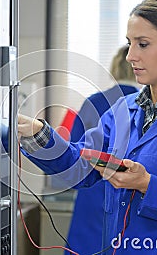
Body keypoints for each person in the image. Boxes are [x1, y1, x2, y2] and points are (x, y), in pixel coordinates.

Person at [18, 0, 157, 254]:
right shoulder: (123, 110)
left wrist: (147, 184)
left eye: (143, 44)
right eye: (129, 43)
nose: (131, 55)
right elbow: (79, 167)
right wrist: (39, 134)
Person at [66, 45, 139, 255]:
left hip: (91, 197)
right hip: (129, 198)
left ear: (115, 68)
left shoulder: (94, 102)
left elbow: (72, 158)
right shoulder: (149, 106)